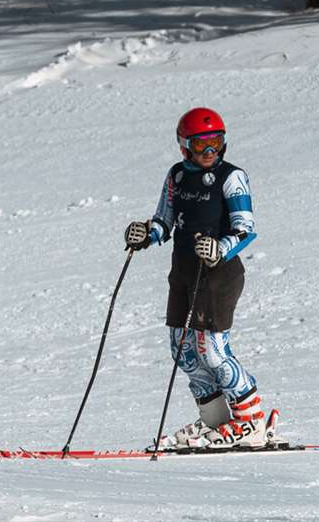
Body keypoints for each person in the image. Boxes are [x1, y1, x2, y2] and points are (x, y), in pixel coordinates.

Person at [124, 107, 270, 449]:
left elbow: (246, 229)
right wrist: (145, 234)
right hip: (185, 272)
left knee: (212, 349)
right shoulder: (176, 176)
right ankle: (216, 422)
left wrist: (220, 247)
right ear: (184, 146)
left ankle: (252, 422)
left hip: (219, 273)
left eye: (216, 143)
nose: (210, 152)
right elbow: (164, 221)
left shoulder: (232, 177)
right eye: (202, 144)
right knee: (182, 347)